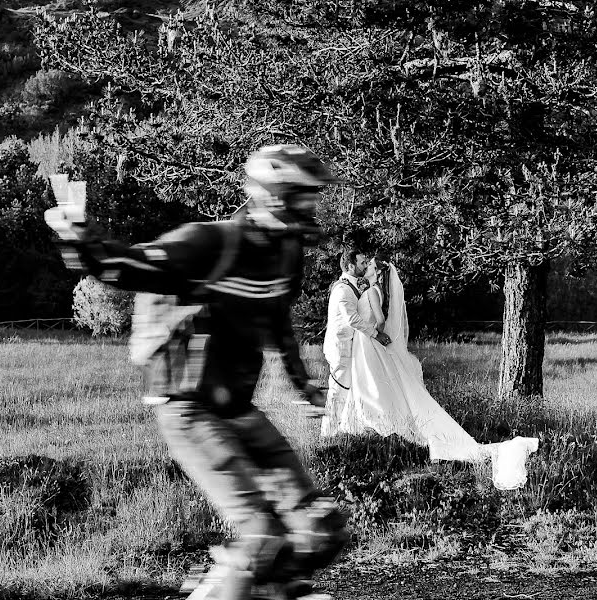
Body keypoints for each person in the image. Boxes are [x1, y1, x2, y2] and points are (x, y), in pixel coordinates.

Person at [46, 145, 349, 600]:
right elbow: (125, 267)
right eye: (304, 197)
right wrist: (81, 237)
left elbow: (278, 321)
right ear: (273, 195)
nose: (312, 208)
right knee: (261, 538)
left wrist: (302, 384)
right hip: (188, 408)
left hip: (239, 409)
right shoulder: (210, 243)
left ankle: (280, 590)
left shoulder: (286, 255)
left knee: (321, 530)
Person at [332, 258, 540, 490]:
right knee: (375, 383)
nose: (366, 266)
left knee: (372, 383)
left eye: (368, 265)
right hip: (366, 343)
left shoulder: (371, 290)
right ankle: (371, 421)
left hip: (368, 342)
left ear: (376, 272)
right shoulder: (373, 290)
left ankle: (374, 421)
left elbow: (379, 320)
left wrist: (375, 334)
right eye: (365, 263)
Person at [320, 248, 390, 438]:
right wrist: (376, 334)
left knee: (348, 390)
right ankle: (327, 435)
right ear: (350, 266)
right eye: (361, 263)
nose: (365, 265)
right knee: (337, 391)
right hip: (340, 346)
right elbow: (352, 319)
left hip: (351, 345)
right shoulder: (342, 289)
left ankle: (342, 430)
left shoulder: (353, 286)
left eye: (366, 262)